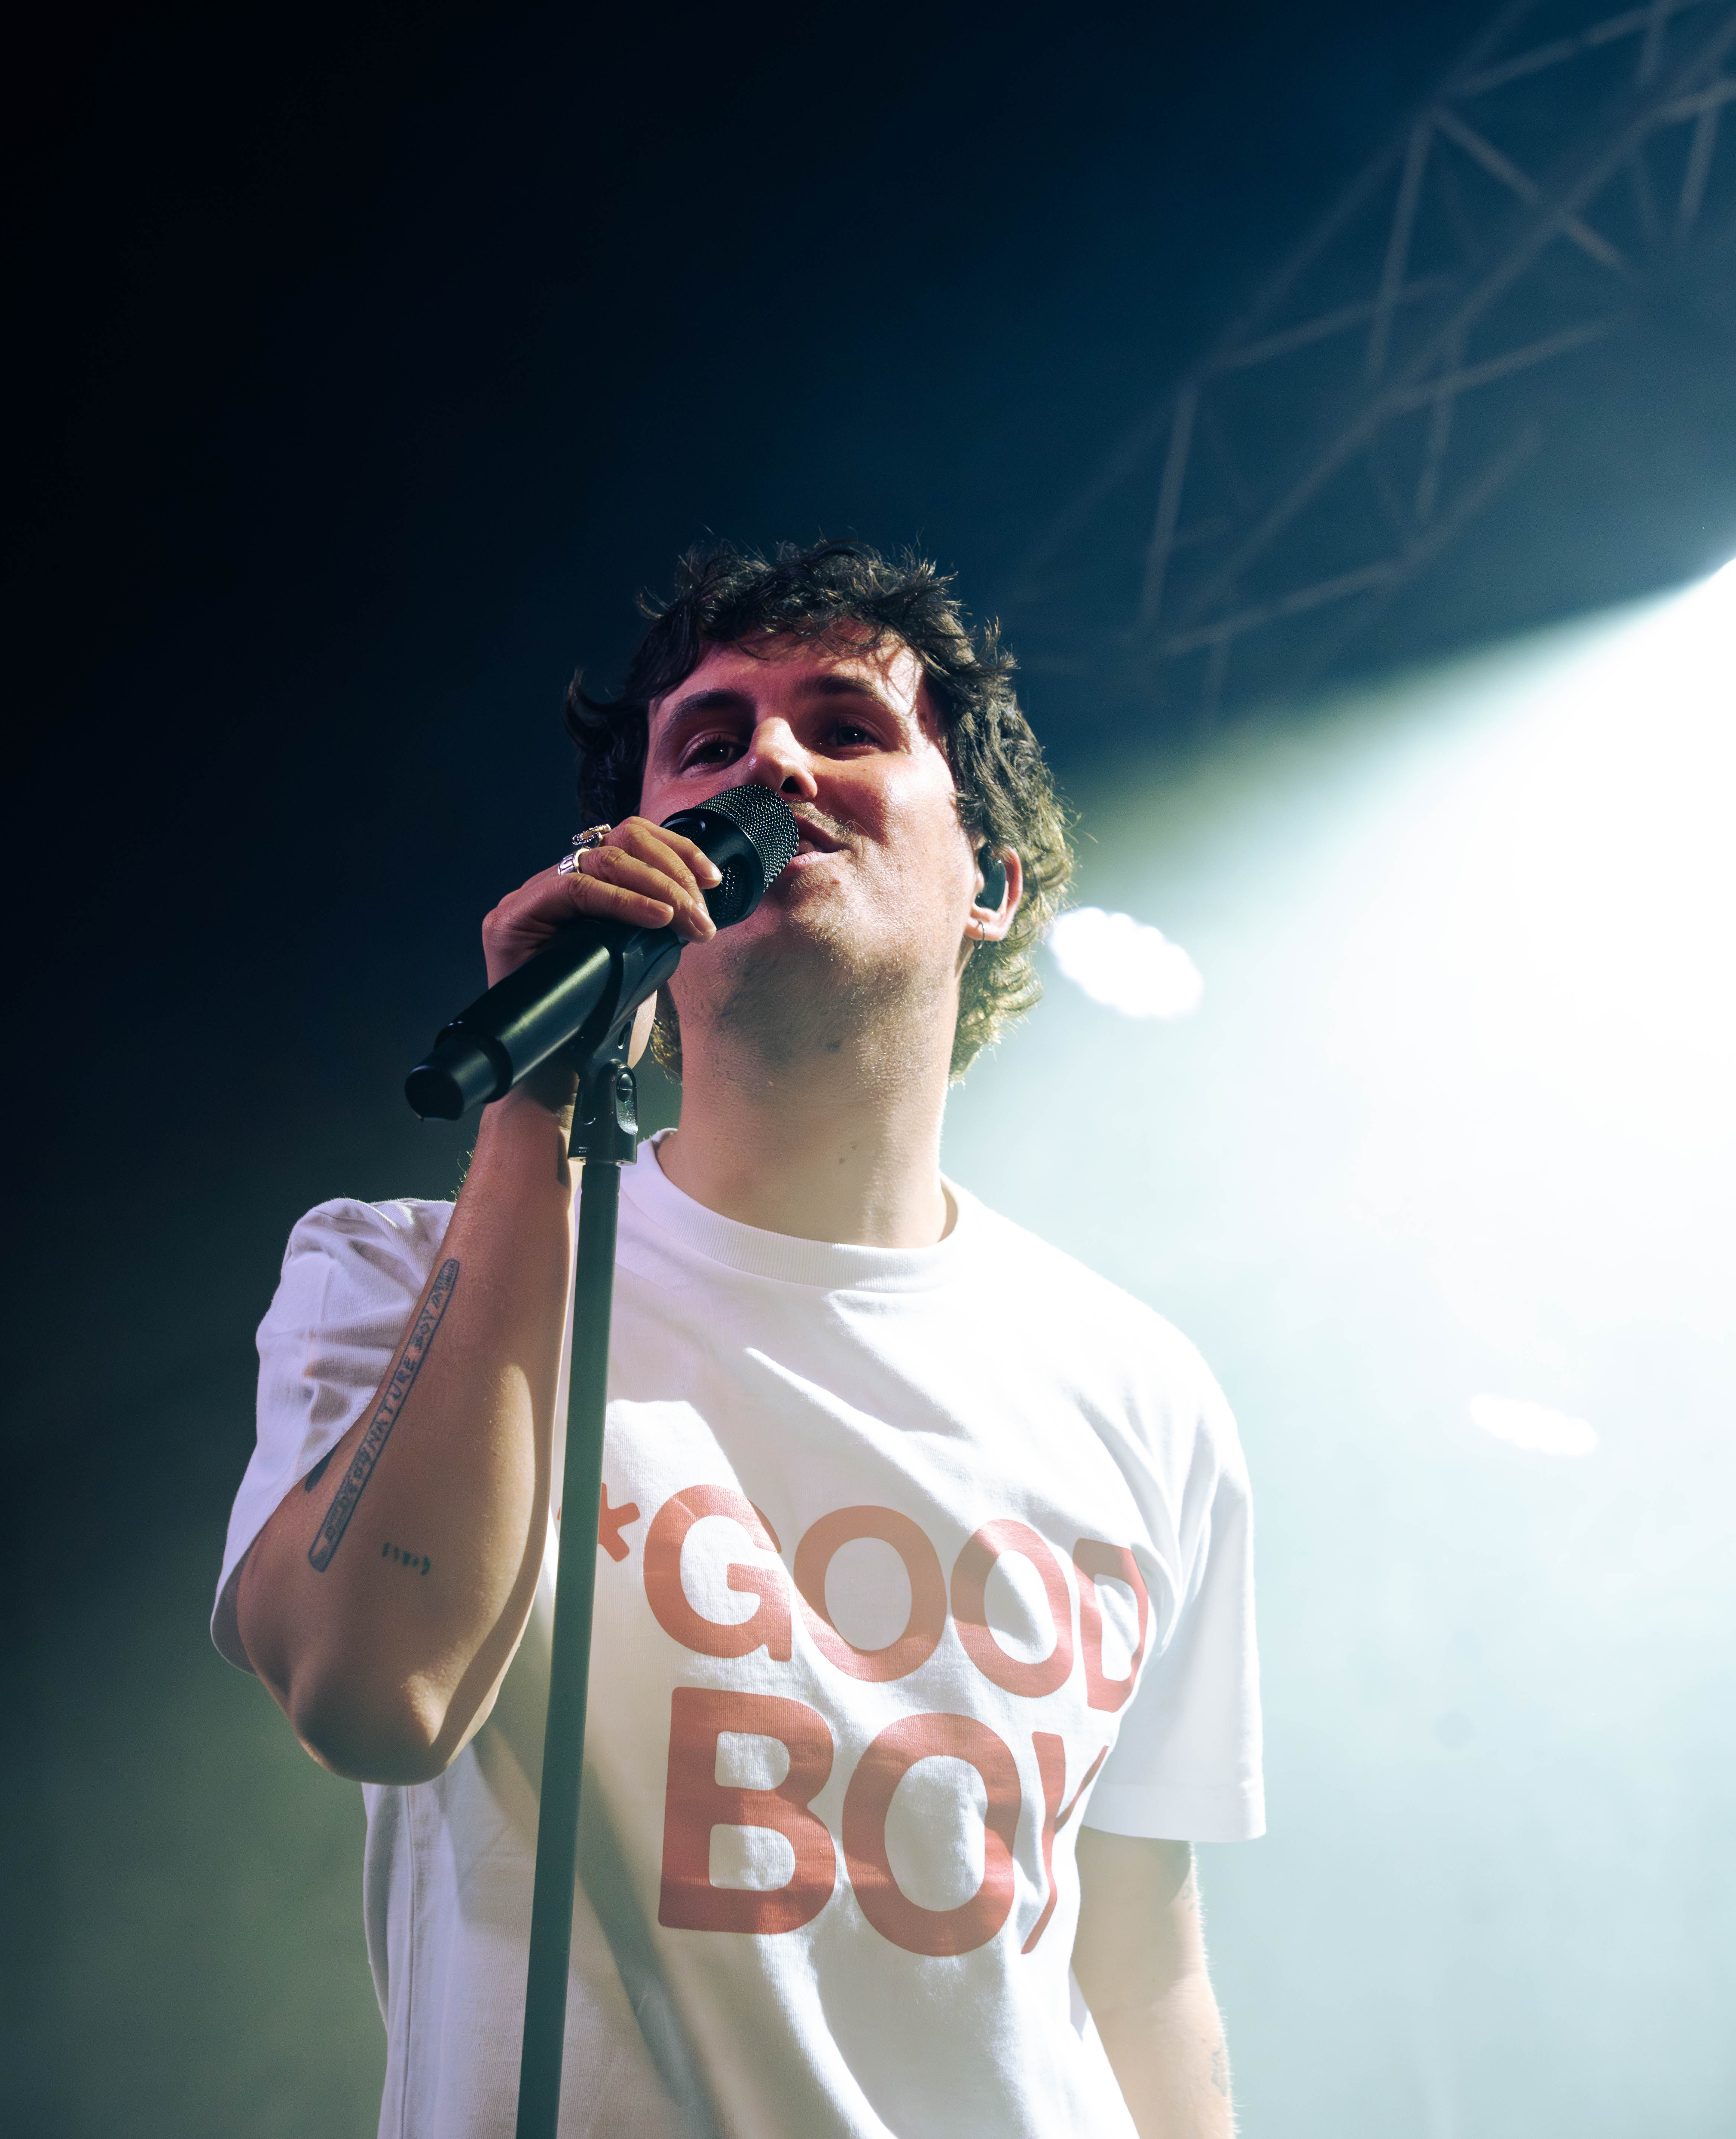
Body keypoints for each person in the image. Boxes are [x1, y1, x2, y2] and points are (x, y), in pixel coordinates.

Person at [213, 539, 1263, 2139]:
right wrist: (536, 1103)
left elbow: (1138, 1960)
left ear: (992, 885)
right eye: (709, 742)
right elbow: (375, 1686)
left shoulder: (1143, 1391)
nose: (771, 760)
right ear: (623, 852)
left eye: (846, 727)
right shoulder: (403, 1273)